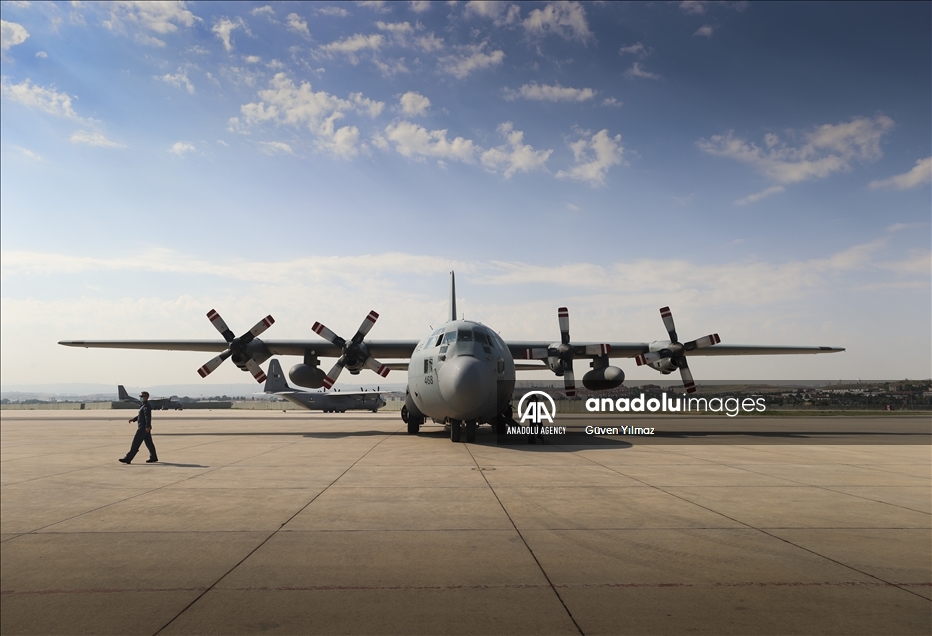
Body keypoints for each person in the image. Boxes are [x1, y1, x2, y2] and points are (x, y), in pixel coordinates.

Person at [119, 391, 158, 464]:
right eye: (140, 396)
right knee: (149, 443)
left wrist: (147, 426)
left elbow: (148, 417)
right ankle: (153, 457)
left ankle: (128, 458)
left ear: (146, 397)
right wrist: (134, 419)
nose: (141, 397)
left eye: (142, 396)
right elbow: (141, 415)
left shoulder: (146, 406)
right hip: (144, 427)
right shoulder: (143, 405)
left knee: (136, 443)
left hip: (143, 428)